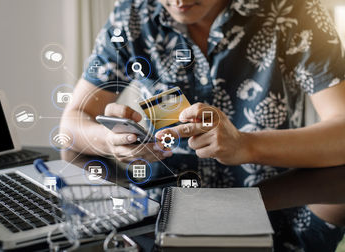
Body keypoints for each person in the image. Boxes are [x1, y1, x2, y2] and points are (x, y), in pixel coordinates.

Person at [61, 0, 345, 251]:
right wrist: (109, 141)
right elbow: (72, 123)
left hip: (276, 219)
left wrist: (247, 145)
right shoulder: (132, 13)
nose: (179, 1)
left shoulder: (293, 9)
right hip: (159, 222)